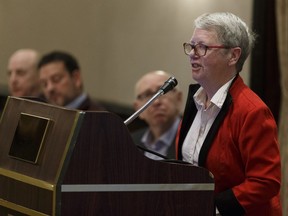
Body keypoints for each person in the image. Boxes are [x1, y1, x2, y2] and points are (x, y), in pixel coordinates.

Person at [176, 12, 281, 215]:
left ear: (233, 55)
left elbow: (265, 181)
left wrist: (213, 207)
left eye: (203, 47)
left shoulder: (252, 111)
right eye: (191, 46)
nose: (192, 53)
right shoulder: (196, 101)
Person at [131, 70, 183, 160]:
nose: (156, 102)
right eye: (147, 95)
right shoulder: (129, 143)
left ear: (178, 99)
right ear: (138, 108)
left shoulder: (192, 140)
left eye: (164, 92)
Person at [37, 51, 105, 111]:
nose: (49, 88)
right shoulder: (43, 114)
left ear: (76, 78)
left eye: (56, 79)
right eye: (44, 84)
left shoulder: (98, 119)